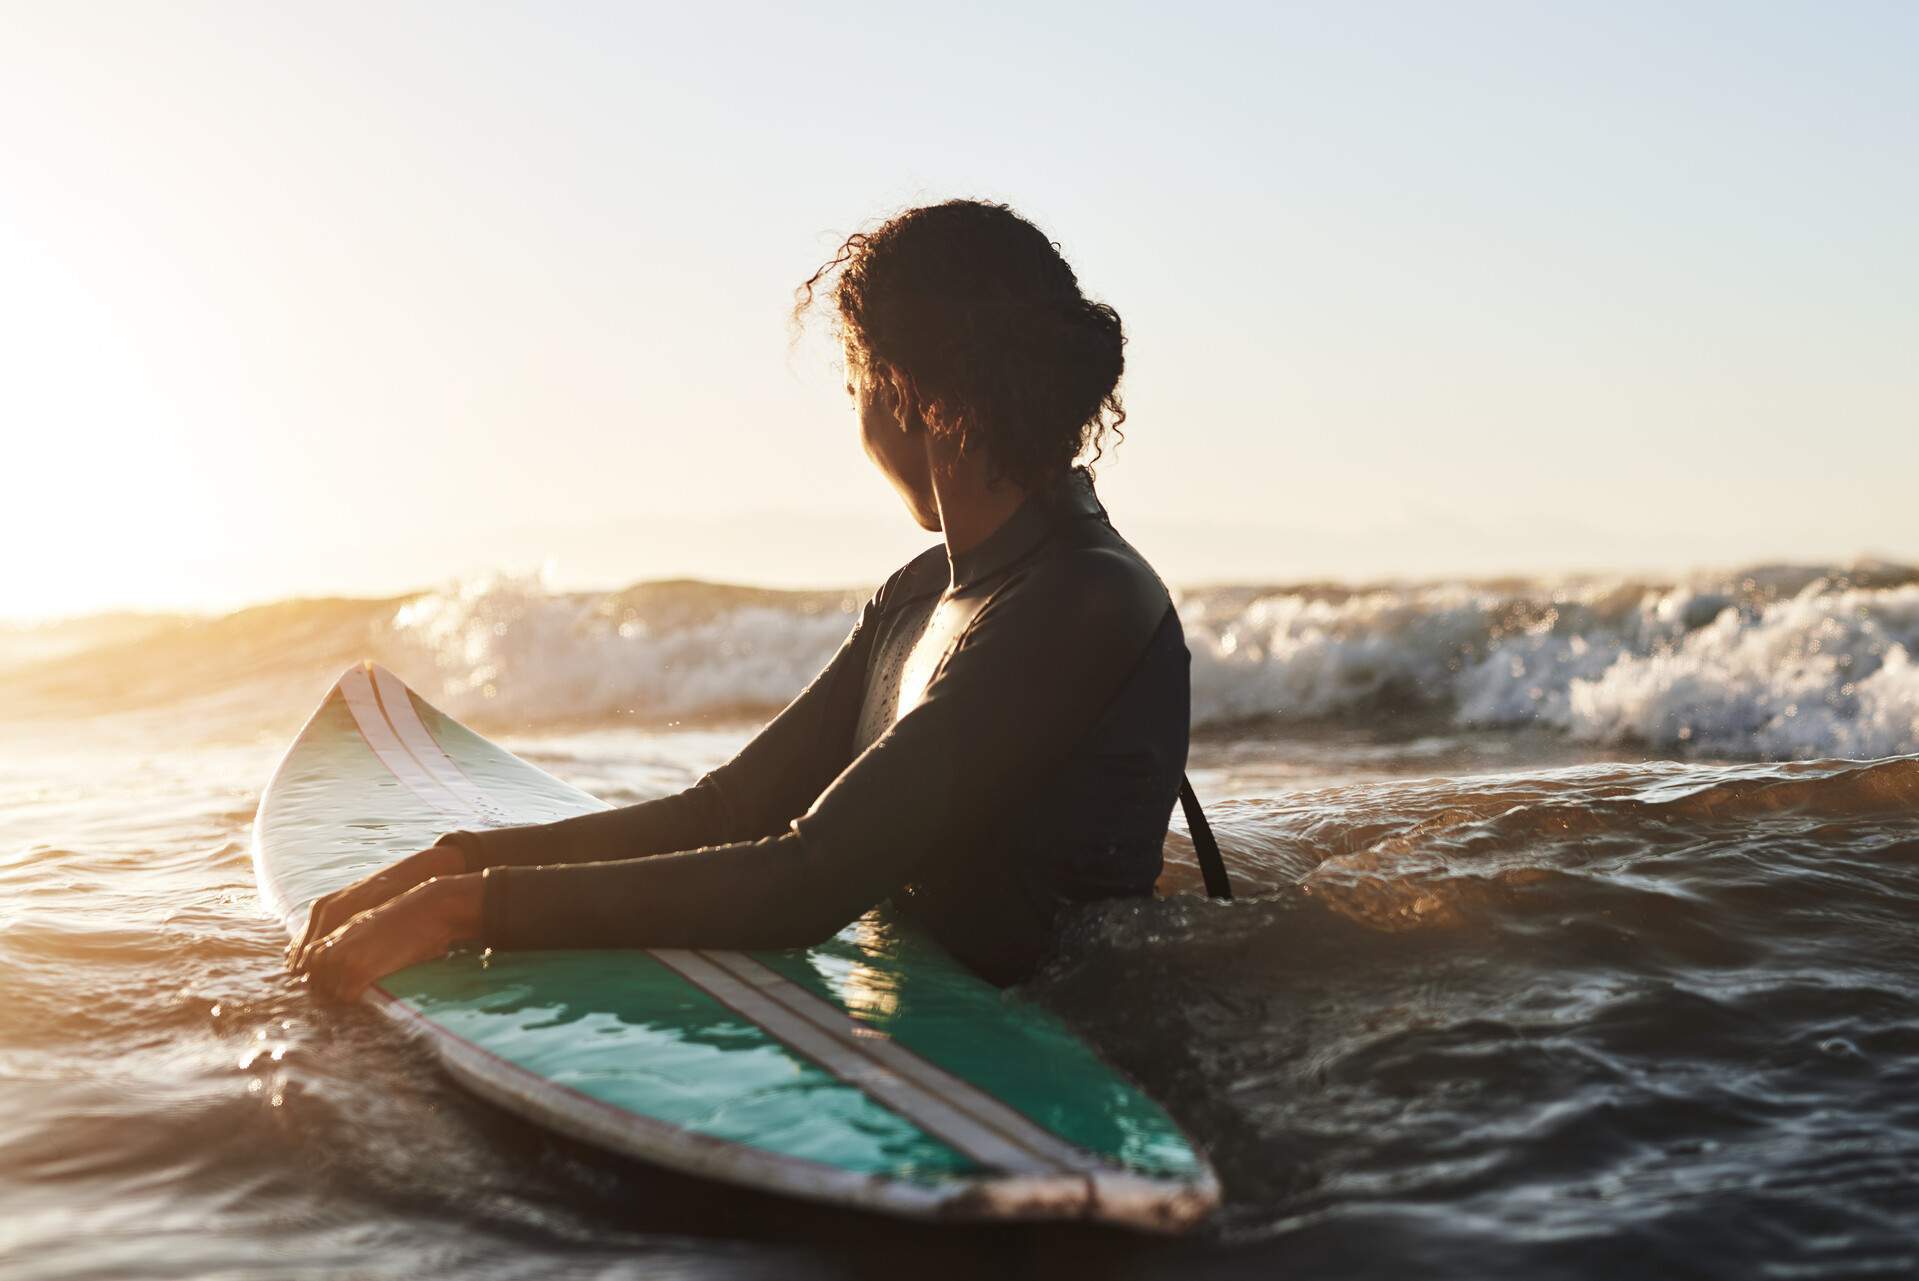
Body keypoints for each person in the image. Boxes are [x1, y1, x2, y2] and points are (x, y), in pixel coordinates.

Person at [292, 198, 1195, 999]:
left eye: (853, 390)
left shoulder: (1084, 597)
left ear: (905, 395)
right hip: (945, 1000)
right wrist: (462, 862)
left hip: (1084, 1036)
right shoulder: (921, 594)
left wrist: (464, 914)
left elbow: (807, 880)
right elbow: (725, 813)